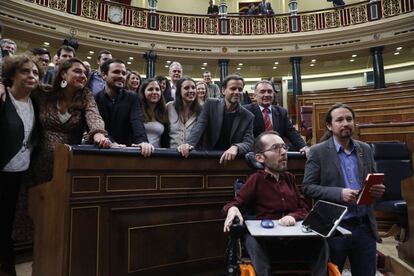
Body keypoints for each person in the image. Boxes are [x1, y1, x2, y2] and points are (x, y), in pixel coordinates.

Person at [223, 131, 329, 276]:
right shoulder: (256, 180)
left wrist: (293, 216)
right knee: (251, 240)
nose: (284, 152)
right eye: (276, 148)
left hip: (294, 239)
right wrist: (233, 208)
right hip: (267, 242)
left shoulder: (289, 179)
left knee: (320, 242)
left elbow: (304, 209)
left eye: (284, 147)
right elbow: (234, 203)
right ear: (260, 157)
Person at [303, 103, 385, 276]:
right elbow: (308, 188)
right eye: (339, 120)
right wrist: (340, 193)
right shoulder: (318, 152)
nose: (345, 123)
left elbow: (373, 178)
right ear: (329, 126)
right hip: (335, 228)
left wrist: (377, 190)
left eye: (349, 119)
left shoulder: (365, 149)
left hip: (364, 227)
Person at [29, 57, 111, 185]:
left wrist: (99, 134)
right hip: (37, 163)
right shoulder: (44, 93)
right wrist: (2, 84)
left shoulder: (86, 96)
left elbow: (93, 116)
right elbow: (18, 80)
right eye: (77, 71)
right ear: (63, 74)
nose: (83, 76)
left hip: (66, 164)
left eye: (85, 73)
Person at [0, 54, 42, 276]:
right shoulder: (3, 97)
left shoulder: (36, 101)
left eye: (35, 72)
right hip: (2, 170)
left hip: (21, 173)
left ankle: (7, 266)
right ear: (12, 75)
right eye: (25, 71)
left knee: (7, 222)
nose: (31, 76)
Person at [178, 74, 254, 164]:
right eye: (233, 89)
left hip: (231, 162)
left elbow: (249, 142)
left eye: (240, 89)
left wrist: (236, 147)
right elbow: (199, 126)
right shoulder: (211, 104)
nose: (237, 92)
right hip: (207, 158)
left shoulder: (248, 116)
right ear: (223, 90)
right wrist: (189, 144)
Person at [94, 59, 153, 156]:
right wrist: (112, 143)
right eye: (116, 72)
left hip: (128, 152)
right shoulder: (95, 99)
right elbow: (97, 127)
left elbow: (137, 121)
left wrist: (142, 142)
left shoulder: (132, 97)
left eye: (124, 73)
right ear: (104, 75)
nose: (121, 76)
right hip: (102, 151)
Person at [244, 80, 309, 154]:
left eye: (269, 91)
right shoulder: (247, 111)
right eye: (262, 92)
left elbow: (291, 132)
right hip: (256, 151)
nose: (266, 94)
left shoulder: (281, 111)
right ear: (255, 95)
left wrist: (303, 146)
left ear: (273, 94)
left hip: (277, 150)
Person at [167, 77, 202, 148]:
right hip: (171, 154)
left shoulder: (202, 110)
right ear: (179, 91)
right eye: (186, 88)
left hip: (194, 155)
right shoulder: (169, 107)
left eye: (193, 88)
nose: (191, 90)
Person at [138, 78, 170, 148]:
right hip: (137, 153)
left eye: (157, 89)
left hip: (157, 155)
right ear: (143, 92)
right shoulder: (137, 111)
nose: (155, 92)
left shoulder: (163, 112)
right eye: (150, 89)